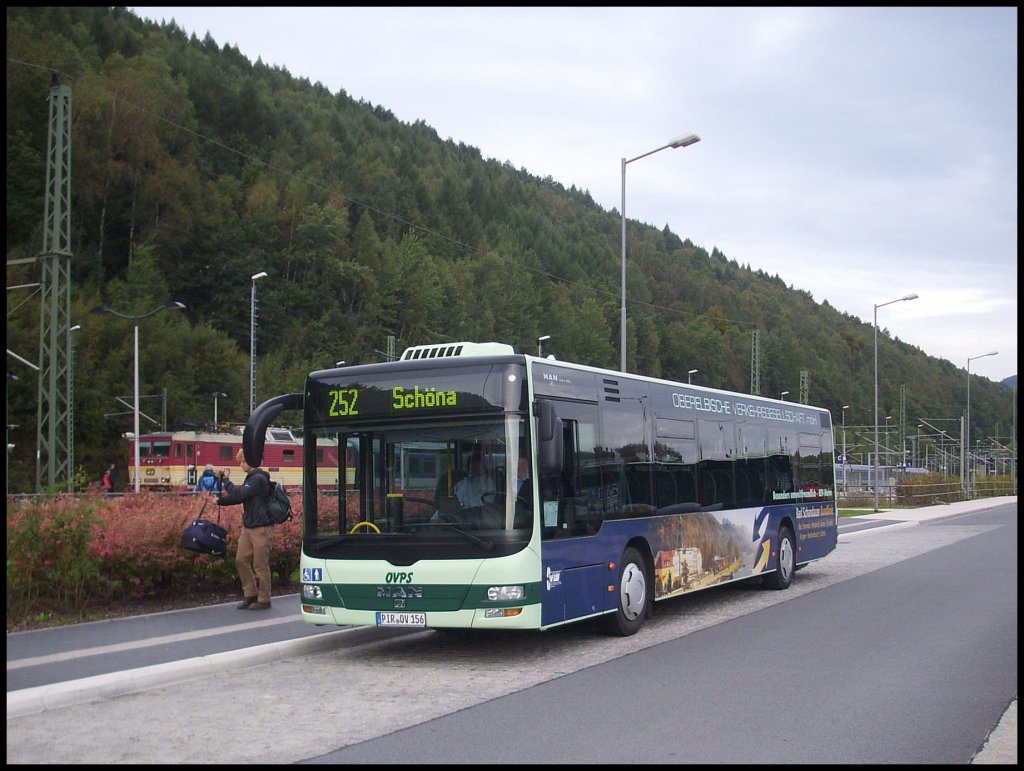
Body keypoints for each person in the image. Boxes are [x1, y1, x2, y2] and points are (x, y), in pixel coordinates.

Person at [216, 448, 274, 610]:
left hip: (261, 527)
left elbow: (239, 495)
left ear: (253, 462)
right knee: (241, 560)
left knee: (260, 564)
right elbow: (239, 496)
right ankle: (250, 593)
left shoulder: (258, 479)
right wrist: (220, 501)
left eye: (243, 461)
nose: (240, 464)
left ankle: (264, 598)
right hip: (249, 525)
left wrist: (226, 481)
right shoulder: (251, 478)